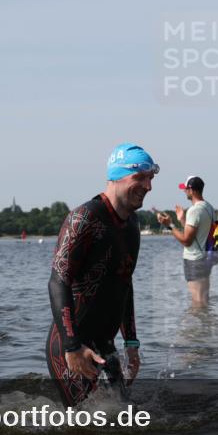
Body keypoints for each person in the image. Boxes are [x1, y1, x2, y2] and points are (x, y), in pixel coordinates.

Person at [46, 143, 155, 406]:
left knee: (124, 420)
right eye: (139, 177)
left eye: (151, 178)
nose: (148, 186)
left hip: (106, 345)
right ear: (116, 176)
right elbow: (58, 281)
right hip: (73, 347)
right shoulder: (84, 218)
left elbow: (124, 282)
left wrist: (131, 342)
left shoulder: (131, 224)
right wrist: (72, 347)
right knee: (83, 430)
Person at [157, 176, 216, 308]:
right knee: (204, 300)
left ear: (191, 190)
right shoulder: (209, 207)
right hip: (206, 259)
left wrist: (170, 225)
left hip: (194, 261)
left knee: (197, 303)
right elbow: (196, 235)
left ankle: (197, 328)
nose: (184, 191)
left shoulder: (194, 210)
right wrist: (182, 220)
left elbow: (187, 241)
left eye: (185, 189)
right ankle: (205, 327)